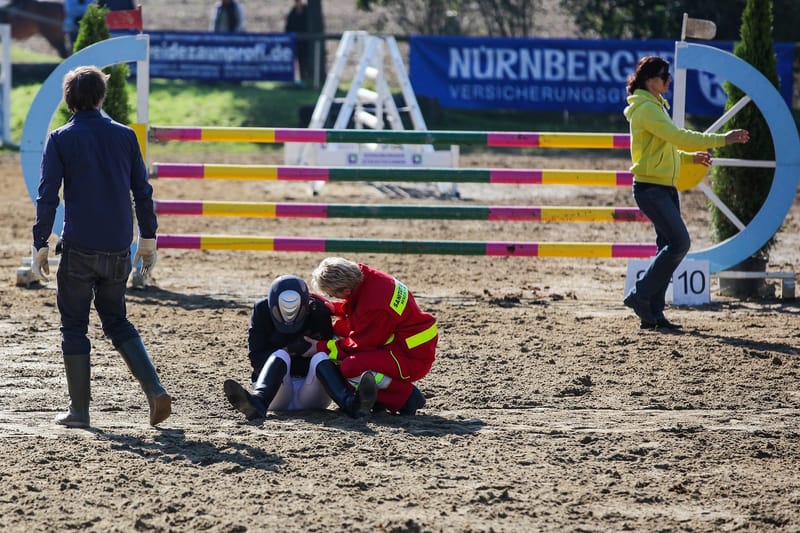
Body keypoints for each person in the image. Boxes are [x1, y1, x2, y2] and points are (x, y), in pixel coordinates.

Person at [30, 66, 171, 428]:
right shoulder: (125, 137)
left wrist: (40, 242)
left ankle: (79, 410)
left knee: (74, 326)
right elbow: (143, 192)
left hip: (79, 248)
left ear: (68, 99)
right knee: (118, 320)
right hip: (117, 249)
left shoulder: (60, 138)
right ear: (101, 97)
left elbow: (47, 196)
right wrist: (149, 238)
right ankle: (155, 390)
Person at [623, 56, 750, 330]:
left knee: (666, 247)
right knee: (680, 243)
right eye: (664, 75)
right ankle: (639, 295)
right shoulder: (646, 109)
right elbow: (679, 136)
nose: (669, 79)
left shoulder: (654, 105)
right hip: (651, 189)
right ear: (649, 80)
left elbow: (664, 150)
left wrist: (689, 159)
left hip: (664, 186)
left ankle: (653, 315)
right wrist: (722, 139)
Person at [223, 275, 377, 420]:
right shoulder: (262, 310)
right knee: (279, 355)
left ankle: (352, 404)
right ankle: (257, 402)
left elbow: (331, 356)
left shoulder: (319, 312)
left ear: (307, 305)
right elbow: (256, 361)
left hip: (312, 394)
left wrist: (316, 348)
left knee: (321, 356)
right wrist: (289, 350)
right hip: (274, 396)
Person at [307, 257, 437, 415]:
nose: (334, 298)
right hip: (405, 343)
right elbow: (362, 310)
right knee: (339, 331)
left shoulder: (376, 306)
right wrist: (335, 308)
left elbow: (359, 344)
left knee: (350, 367)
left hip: (410, 358)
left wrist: (319, 347)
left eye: (333, 295)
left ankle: (407, 397)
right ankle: (381, 399)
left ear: (346, 290)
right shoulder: (366, 277)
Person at [284, 0, 310, 83]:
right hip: (295, 42)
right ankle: (292, 80)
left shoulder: (307, 11)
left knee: (304, 62)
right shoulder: (293, 12)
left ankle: (305, 79)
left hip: (305, 42)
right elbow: (288, 26)